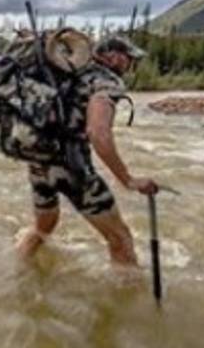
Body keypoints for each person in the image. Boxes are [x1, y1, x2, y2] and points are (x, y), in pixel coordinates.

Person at [16, 35, 158, 265]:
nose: (131, 64)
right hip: (73, 167)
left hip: (39, 160)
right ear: (113, 57)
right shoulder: (106, 81)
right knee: (120, 239)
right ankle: (127, 299)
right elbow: (97, 132)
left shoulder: (68, 72)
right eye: (128, 58)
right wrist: (128, 180)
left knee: (43, 229)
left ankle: (17, 275)